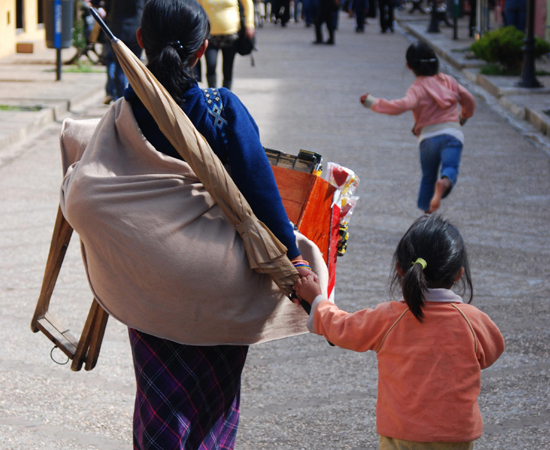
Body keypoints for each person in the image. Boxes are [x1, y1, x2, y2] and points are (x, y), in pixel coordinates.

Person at [59, 0, 325, 448]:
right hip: (221, 283)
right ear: (203, 50)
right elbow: (263, 201)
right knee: (214, 402)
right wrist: (294, 264)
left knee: (160, 402)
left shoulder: (123, 117)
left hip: (152, 289)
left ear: (141, 41)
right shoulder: (223, 110)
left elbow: (88, 188)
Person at [294, 214, 505, 450]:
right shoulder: (473, 321)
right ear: (458, 274)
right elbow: (492, 351)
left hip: (401, 435)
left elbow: (341, 327)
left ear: (400, 269)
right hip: (455, 437)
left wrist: (316, 299)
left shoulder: (389, 318)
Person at [360, 42, 476, 213]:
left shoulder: (417, 88)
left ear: (409, 66)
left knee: (428, 178)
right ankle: (444, 183)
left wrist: (372, 102)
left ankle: (426, 216)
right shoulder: (450, 82)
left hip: (428, 138)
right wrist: (463, 117)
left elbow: (399, 106)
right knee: (450, 168)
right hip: (452, 133)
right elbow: (469, 100)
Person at [93, 0, 144, 104]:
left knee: (119, 67)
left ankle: (121, 99)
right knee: (135, 67)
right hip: (136, 30)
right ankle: (134, 97)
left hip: (117, 29)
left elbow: (106, 6)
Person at [196, 0, 255, 89]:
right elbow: (194, 5)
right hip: (209, 35)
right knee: (211, 65)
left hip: (231, 34)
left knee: (228, 68)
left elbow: (248, 3)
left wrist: (249, 23)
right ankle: (213, 95)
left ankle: (227, 95)